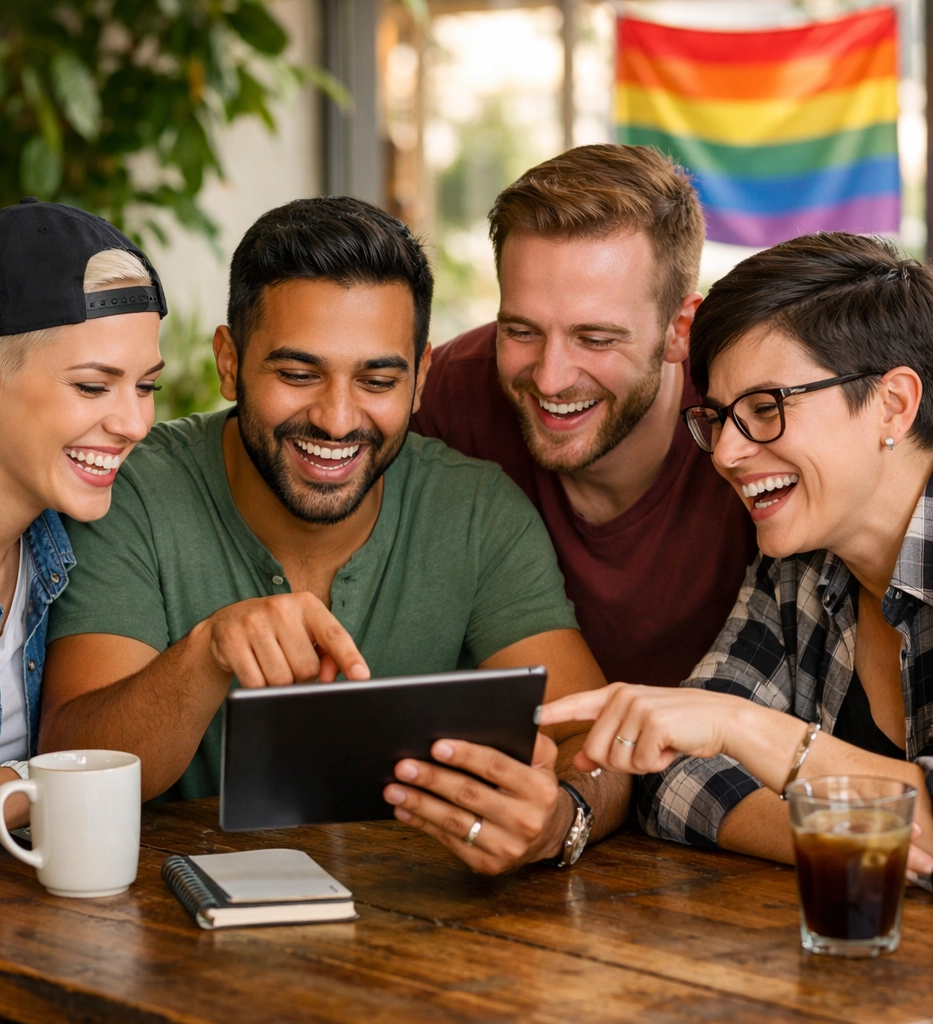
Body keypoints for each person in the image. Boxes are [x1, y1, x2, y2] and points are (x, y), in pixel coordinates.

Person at [40, 196, 631, 875]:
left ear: (420, 381)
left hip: (428, 934)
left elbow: (596, 748)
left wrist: (561, 817)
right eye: (297, 375)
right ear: (229, 361)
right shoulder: (134, 491)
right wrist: (206, 654)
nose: (337, 418)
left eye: (378, 379)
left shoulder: (475, 510)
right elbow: (69, 760)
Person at [539, 232, 933, 899]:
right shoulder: (800, 561)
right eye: (718, 418)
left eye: (766, 409)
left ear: (894, 402)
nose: (725, 454)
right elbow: (674, 775)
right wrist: (866, 837)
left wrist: (747, 730)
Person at [413, 144, 756, 687]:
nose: (550, 379)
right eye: (521, 331)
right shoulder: (446, 396)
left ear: (678, 330)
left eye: (595, 338)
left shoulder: (751, 420)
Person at [0, 198, 166, 860]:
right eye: (94, 387)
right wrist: (43, 784)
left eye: (146, 387)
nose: (133, 424)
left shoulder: (59, 540)